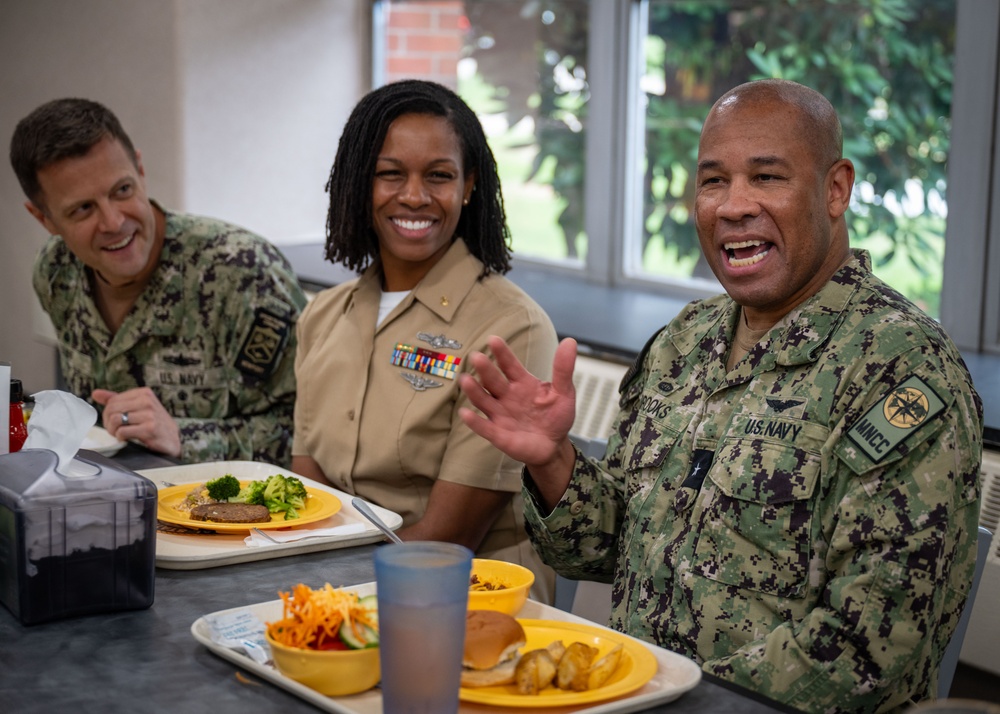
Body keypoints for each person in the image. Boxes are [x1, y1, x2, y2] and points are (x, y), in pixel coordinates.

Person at [458, 79, 983, 712]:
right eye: (713, 181)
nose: (733, 206)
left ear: (835, 189)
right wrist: (553, 461)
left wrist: (672, 699)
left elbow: (867, 648)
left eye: (766, 177)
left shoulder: (898, 368)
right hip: (631, 695)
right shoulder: (683, 342)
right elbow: (600, 549)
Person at [291, 80, 559, 602]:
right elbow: (309, 497)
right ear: (359, 183)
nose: (414, 196)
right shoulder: (322, 316)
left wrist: (322, 591)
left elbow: (445, 539)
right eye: (390, 174)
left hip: (467, 604)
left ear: (468, 185)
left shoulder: (511, 328)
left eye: (438, 175)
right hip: (338, 588)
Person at [10, 98, 306, 465]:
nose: (114, 222)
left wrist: (184, 437)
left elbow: (309, 439)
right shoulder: (56, 271)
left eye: (122, 190)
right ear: (44, 219)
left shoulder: (243, 273)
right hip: (105, 490)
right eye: (83, 209)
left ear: (140, 169)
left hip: (222, 498)